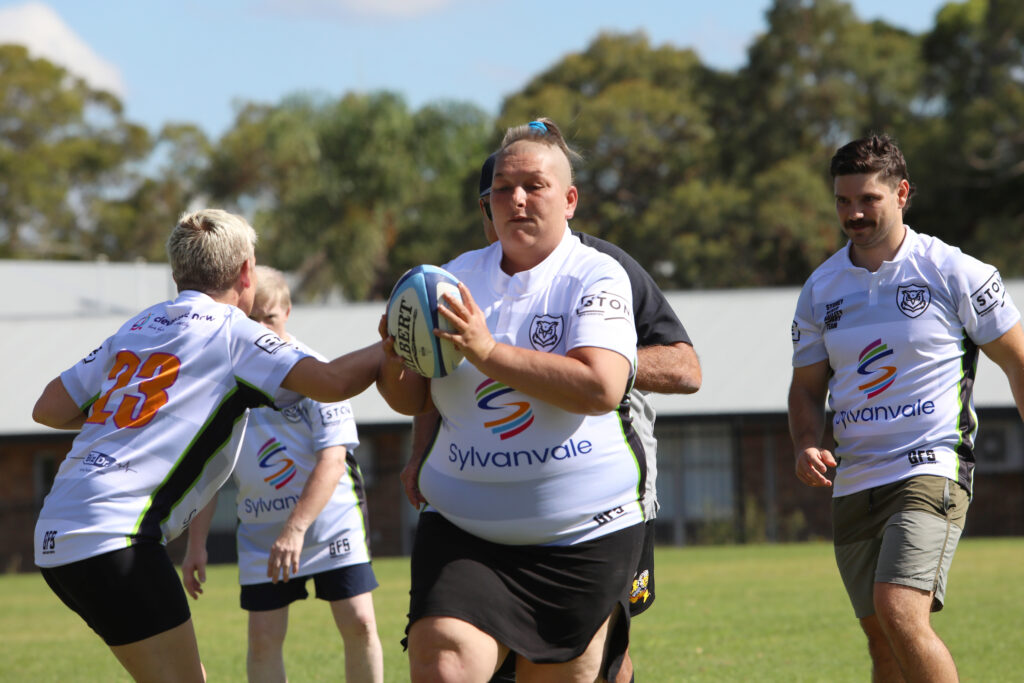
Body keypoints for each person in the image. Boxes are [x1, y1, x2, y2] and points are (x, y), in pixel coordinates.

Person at [31, 209, 386, 683]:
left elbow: (49, 408)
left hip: (57, 531)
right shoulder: (233, 331)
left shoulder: (137, 327)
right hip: (115, 536)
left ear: (177, 272)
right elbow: (333, 380)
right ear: (246, 273)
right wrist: (397, 340)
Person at [402, 151, 702, 683]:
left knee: (593, 662)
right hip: (466, 525)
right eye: (500, 191)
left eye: (533, 186)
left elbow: (683, 369)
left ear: (569, 200)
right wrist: (417, 449)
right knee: (444, 657)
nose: (515, 201)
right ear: (484, 206)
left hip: (592, 515)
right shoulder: (452, 278)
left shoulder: (602, 269)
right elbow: (435, 385)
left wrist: (597, 357)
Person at [788, 134, 1024, 682]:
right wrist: (805, 443)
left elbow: (1018, 362)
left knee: (900, 608)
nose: (854, 213)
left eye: (868, 199)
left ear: (902, 193)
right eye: (844, 201)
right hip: (853, 480)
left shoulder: (954, 272)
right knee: (881, 639)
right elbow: (805, 389)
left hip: (930, 466)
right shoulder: (820, 288)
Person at [181, 266, 384, 683]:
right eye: (252, 320)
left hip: (330, 525)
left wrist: (296, 529)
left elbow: (332, 460)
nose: (261, 330)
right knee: (264, 639)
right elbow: (211, 471)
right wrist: (196, 544)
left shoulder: (318, 372)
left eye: (269, 318)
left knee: (360, 623)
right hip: (260, 533)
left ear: (287, 312)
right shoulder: (224, 385)